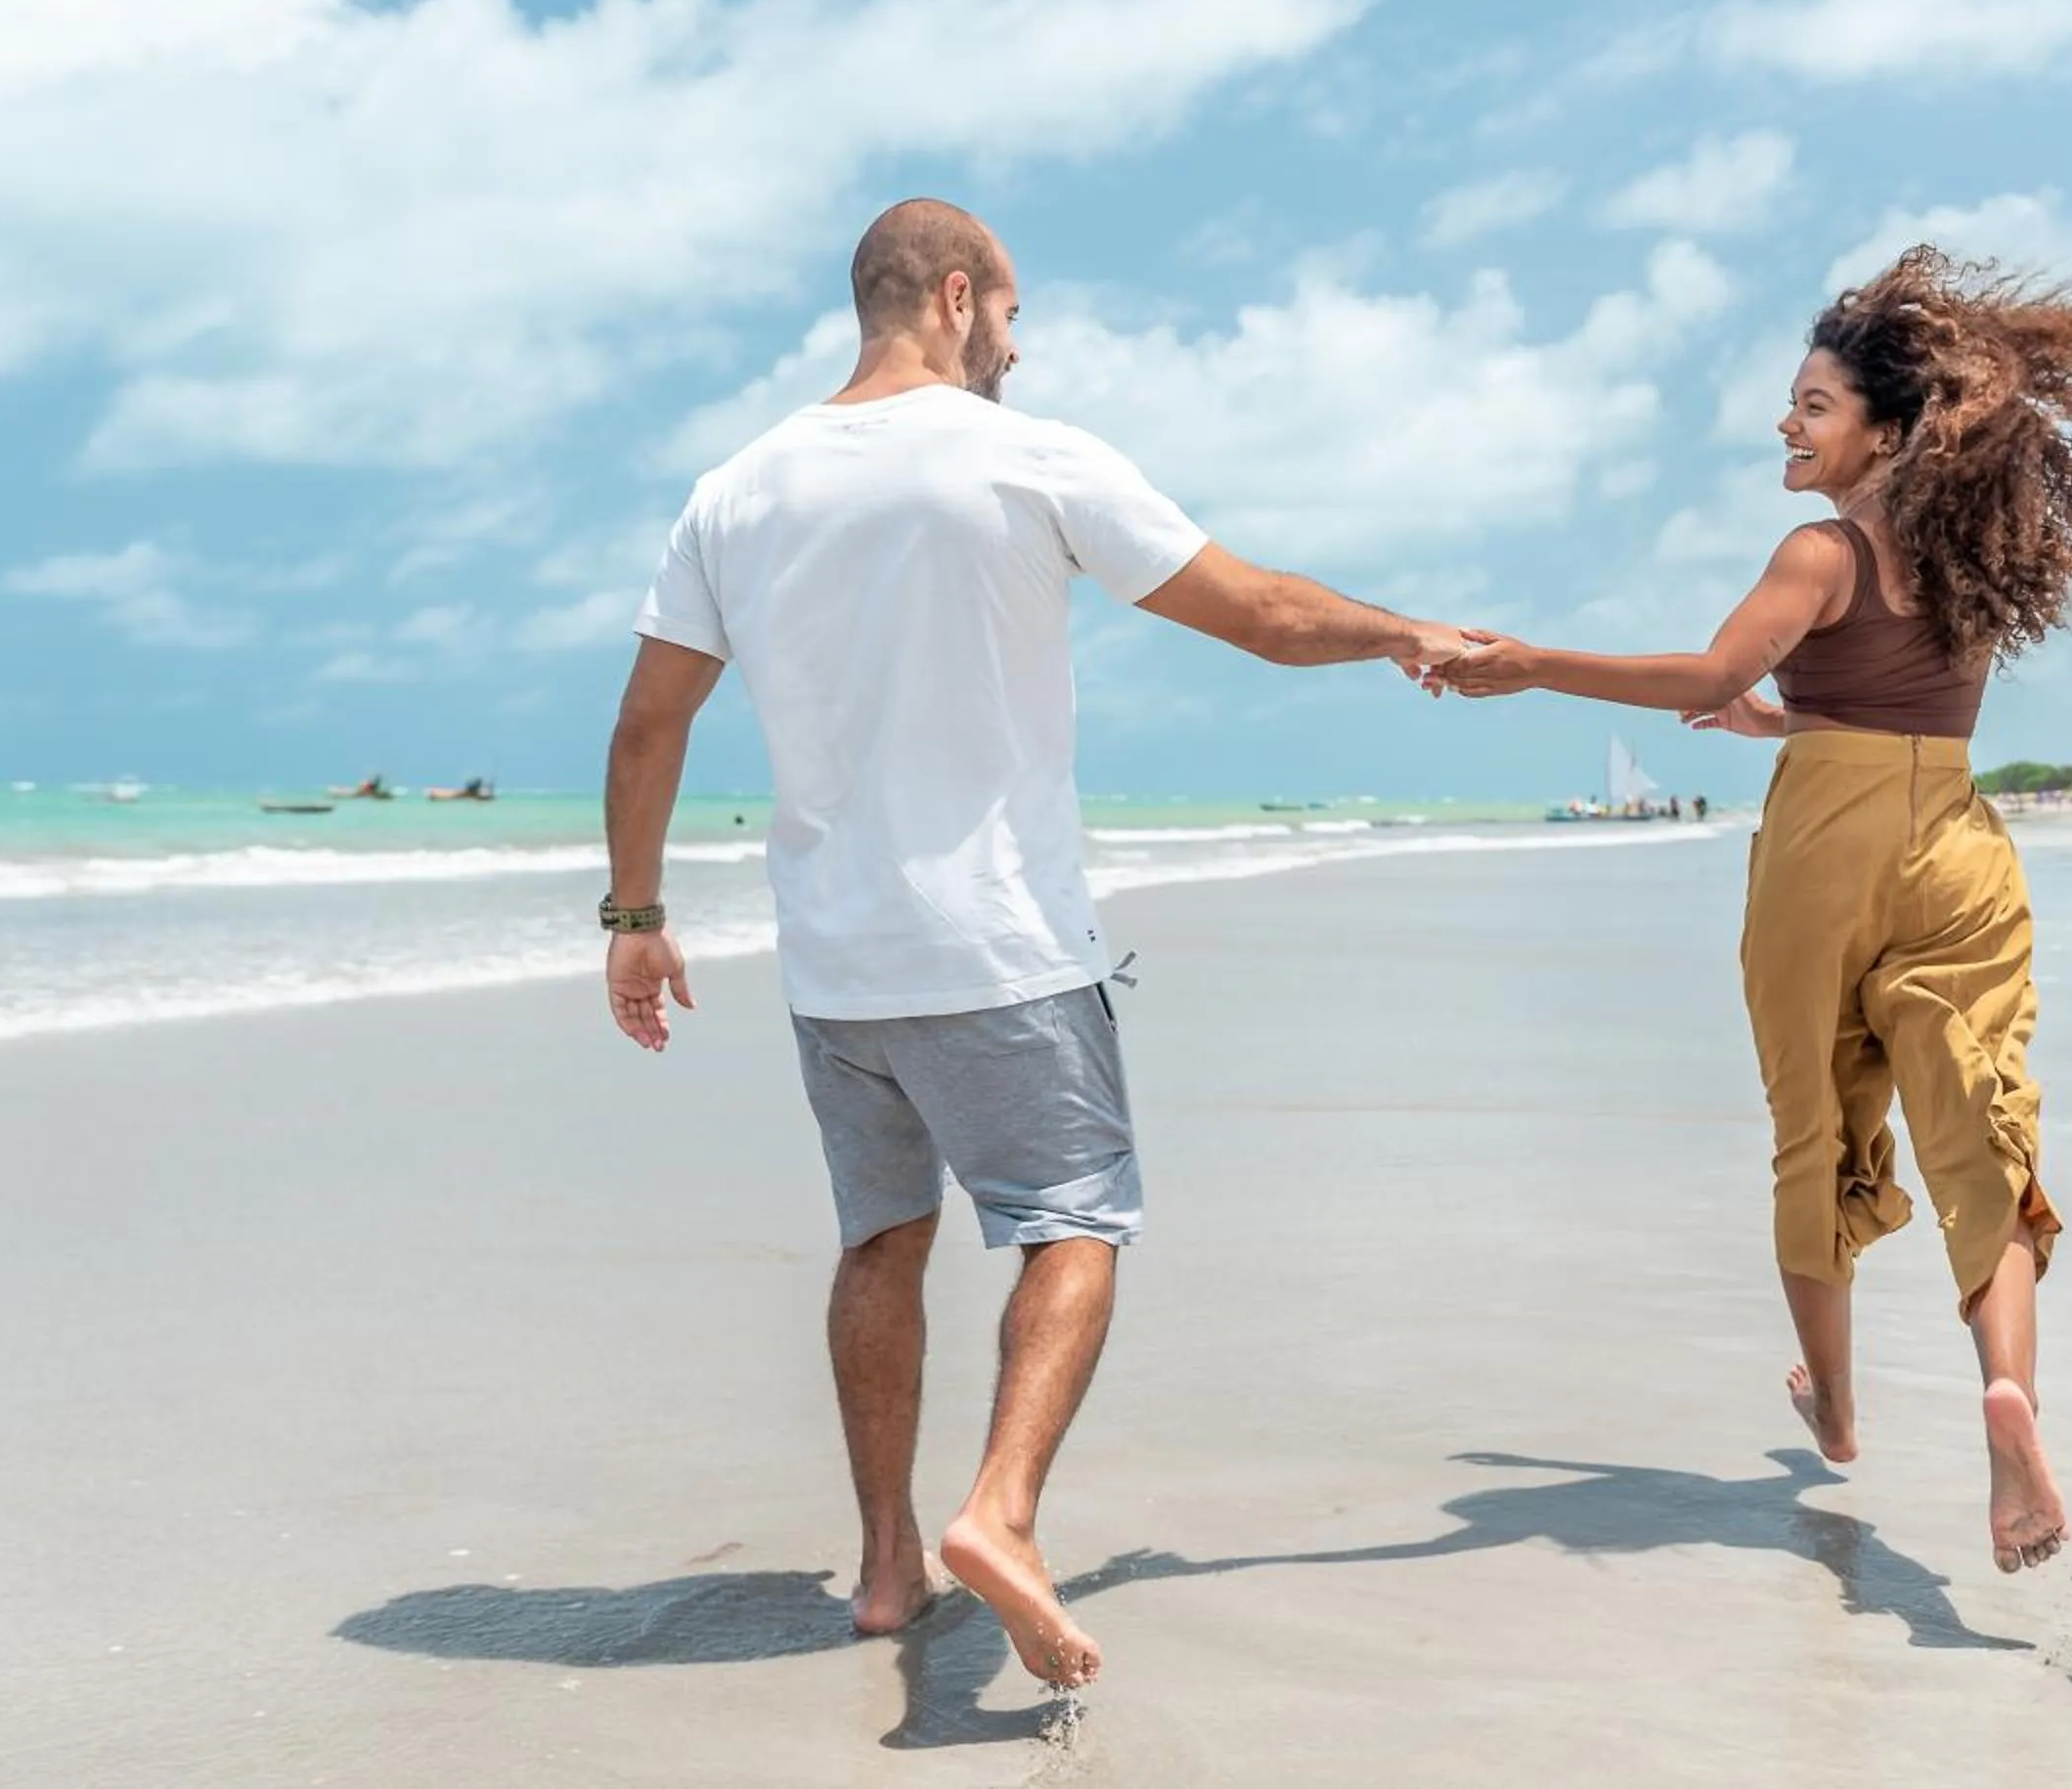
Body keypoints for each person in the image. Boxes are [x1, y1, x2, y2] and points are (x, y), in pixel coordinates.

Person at [599, 199, 1467, 1688]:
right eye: (1010, 316)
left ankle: (884, 1568)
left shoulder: (731, 493)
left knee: (882, 1238)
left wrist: (635, 918)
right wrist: (1410, 631)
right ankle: (996, 1512)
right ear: (956, 296)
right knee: (1074, 1221)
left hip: (836, 969)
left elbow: (648, 722)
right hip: (1001, 947)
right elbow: (1258, 613)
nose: (1016, 344)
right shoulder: (1029, 454)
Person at [1435, 246, 2072, 1572]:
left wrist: (1529, 664)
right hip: (1952, 837)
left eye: (1814, 404)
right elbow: (1894, 711)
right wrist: (1788, 718)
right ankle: (2009, 1396)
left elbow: (1712, 664)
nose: (1788, 421)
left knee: (1813, 1132)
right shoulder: (1967, 561)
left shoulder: (1822, 548)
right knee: (1980, 1122)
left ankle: (1833, 1399)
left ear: (1887, 431)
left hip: (1824, 848)